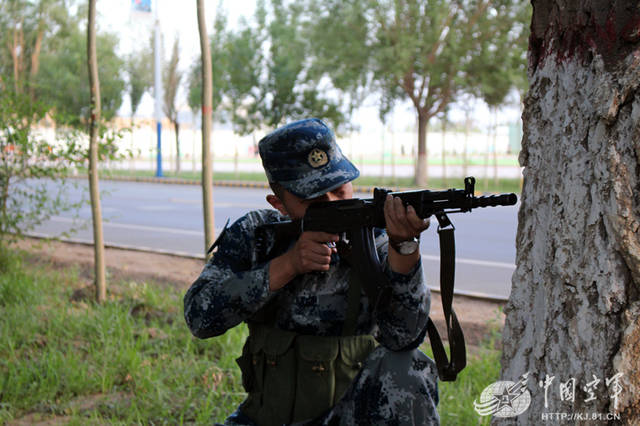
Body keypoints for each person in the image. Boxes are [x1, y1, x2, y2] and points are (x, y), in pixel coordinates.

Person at [184, 118, 439, 425]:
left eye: (340, 190)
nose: (332, 203)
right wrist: (287, 265)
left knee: (408, 365)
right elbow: (199, 317)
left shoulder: (374, 238)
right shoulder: (256, 235)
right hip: (267, 418)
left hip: (351, 416)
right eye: (315, 199)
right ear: (279, 204)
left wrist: (404, 249)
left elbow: (405, 337)